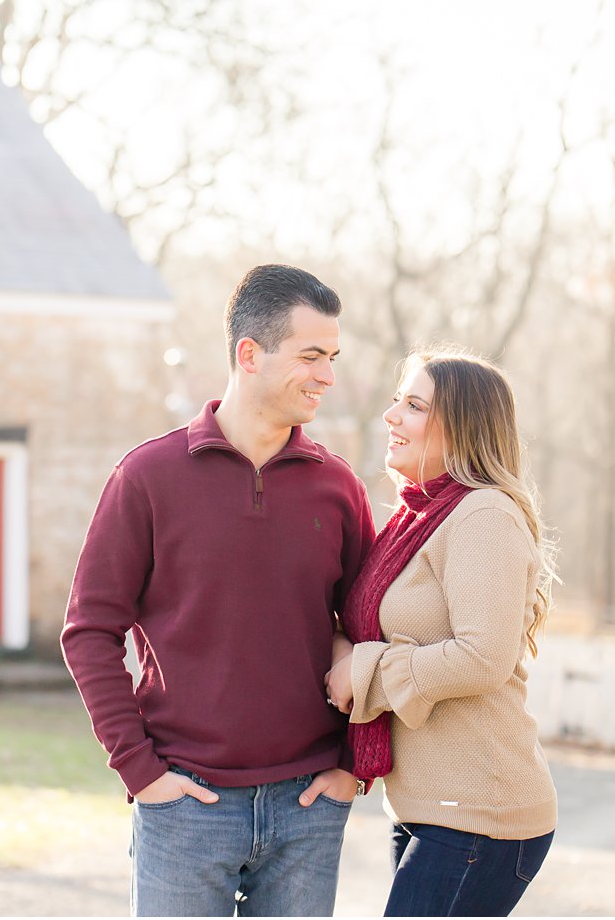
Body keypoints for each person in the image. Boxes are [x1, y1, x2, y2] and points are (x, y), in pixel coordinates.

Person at [63, 264, 376, 917]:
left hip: (307, 809)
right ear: (249, 354)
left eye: (333, 357)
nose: (327, 375)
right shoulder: (148, 477)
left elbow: (374, 626)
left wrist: (353, 763)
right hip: (186, 807)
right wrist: (141, 772)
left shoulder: (338, 487)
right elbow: (90, 629)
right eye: (312, 355)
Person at [325, 350, 558, 917]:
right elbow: (360, 624)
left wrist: (363, 671)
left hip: (482, 810)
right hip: (429, 806)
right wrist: (344, 651)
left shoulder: (483, 515)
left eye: (414, 405)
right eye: (396, 400)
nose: (391, 416)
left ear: (462, 426)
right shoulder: (416, 519)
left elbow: (483, 657)